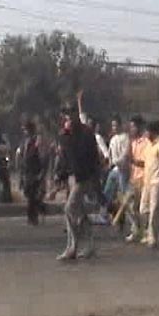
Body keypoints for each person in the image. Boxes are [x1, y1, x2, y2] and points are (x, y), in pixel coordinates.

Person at [56, 107, 100, 260]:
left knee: (69, 209)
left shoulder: (86, 133)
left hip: (84, 177)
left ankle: (74, 246)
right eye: (66, 116)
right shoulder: (64, 135)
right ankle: (86, 245)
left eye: (71, 115)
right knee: (79, 212)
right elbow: (63, 157)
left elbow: (94, 157)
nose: (69, 119)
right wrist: (60, 176)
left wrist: (95, 179)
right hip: (71, 177)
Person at [122, 115, 148, 242]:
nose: (131, 129)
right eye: (130, 126)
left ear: (139, 127)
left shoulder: (146, 142)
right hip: (133, 178)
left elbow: (146, 162)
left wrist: (133, 161)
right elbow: (127, 158)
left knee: (142, 208)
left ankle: (145, 231)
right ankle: (135, 229)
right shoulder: (132, 142)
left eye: (133, 126)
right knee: (128, 205)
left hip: (144, 179)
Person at [17, 120, 48, 226]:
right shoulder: (25, 141)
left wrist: (42, 173)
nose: (25, 132)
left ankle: (32, 219)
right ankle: (41, 207)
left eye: (27, 130)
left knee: (31, 196)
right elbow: (21, 155)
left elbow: (43, 157)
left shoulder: (37, 141)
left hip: (35, 171)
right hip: (26, 171)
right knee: (28, 193)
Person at [103, 116, 130, 216]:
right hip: (114, 170)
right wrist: (110, 162)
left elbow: (125, 154)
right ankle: (106, 213)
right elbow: (110, 153)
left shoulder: (125, 138)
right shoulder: (113, 139)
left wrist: (115, 162)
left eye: (115, 125)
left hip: (123, 170)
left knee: (124, 194)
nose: (114, 127)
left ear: (120, 125)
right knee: (107, 192)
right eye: (112, 125)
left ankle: (127, 215)